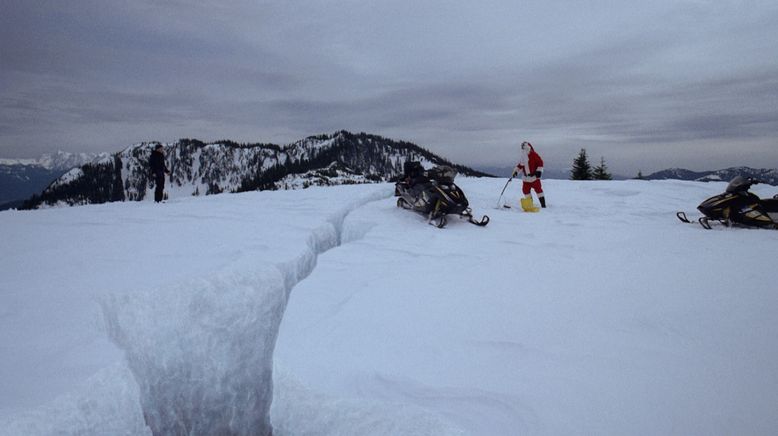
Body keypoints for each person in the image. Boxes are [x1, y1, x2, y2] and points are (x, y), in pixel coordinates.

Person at [512, 141, 546, 211]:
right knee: (525, 190)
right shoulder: (523, 157)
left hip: (534, 177)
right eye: (523, 149)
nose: (524, 150)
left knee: (538, 190)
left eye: (525, 148)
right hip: (526, 178)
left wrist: (539, 171)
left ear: (529, 148)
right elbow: (520, 165)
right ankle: (530, 204)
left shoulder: (534, 155)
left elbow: (540, 163)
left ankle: (543, 205)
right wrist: (515, 171)